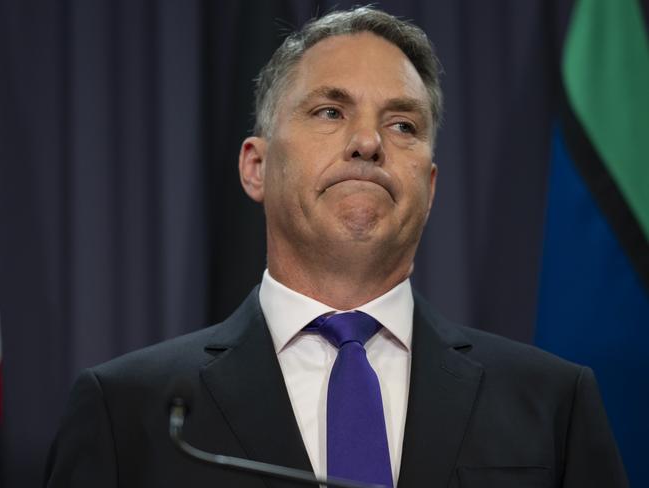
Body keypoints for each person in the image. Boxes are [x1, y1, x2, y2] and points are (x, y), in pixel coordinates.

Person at [44, 6, 628, 488]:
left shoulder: (552, 405)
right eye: (330, 111)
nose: (369, 142)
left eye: (403, 125)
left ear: (429, 187)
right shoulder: (130, 413)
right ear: (256, 166)